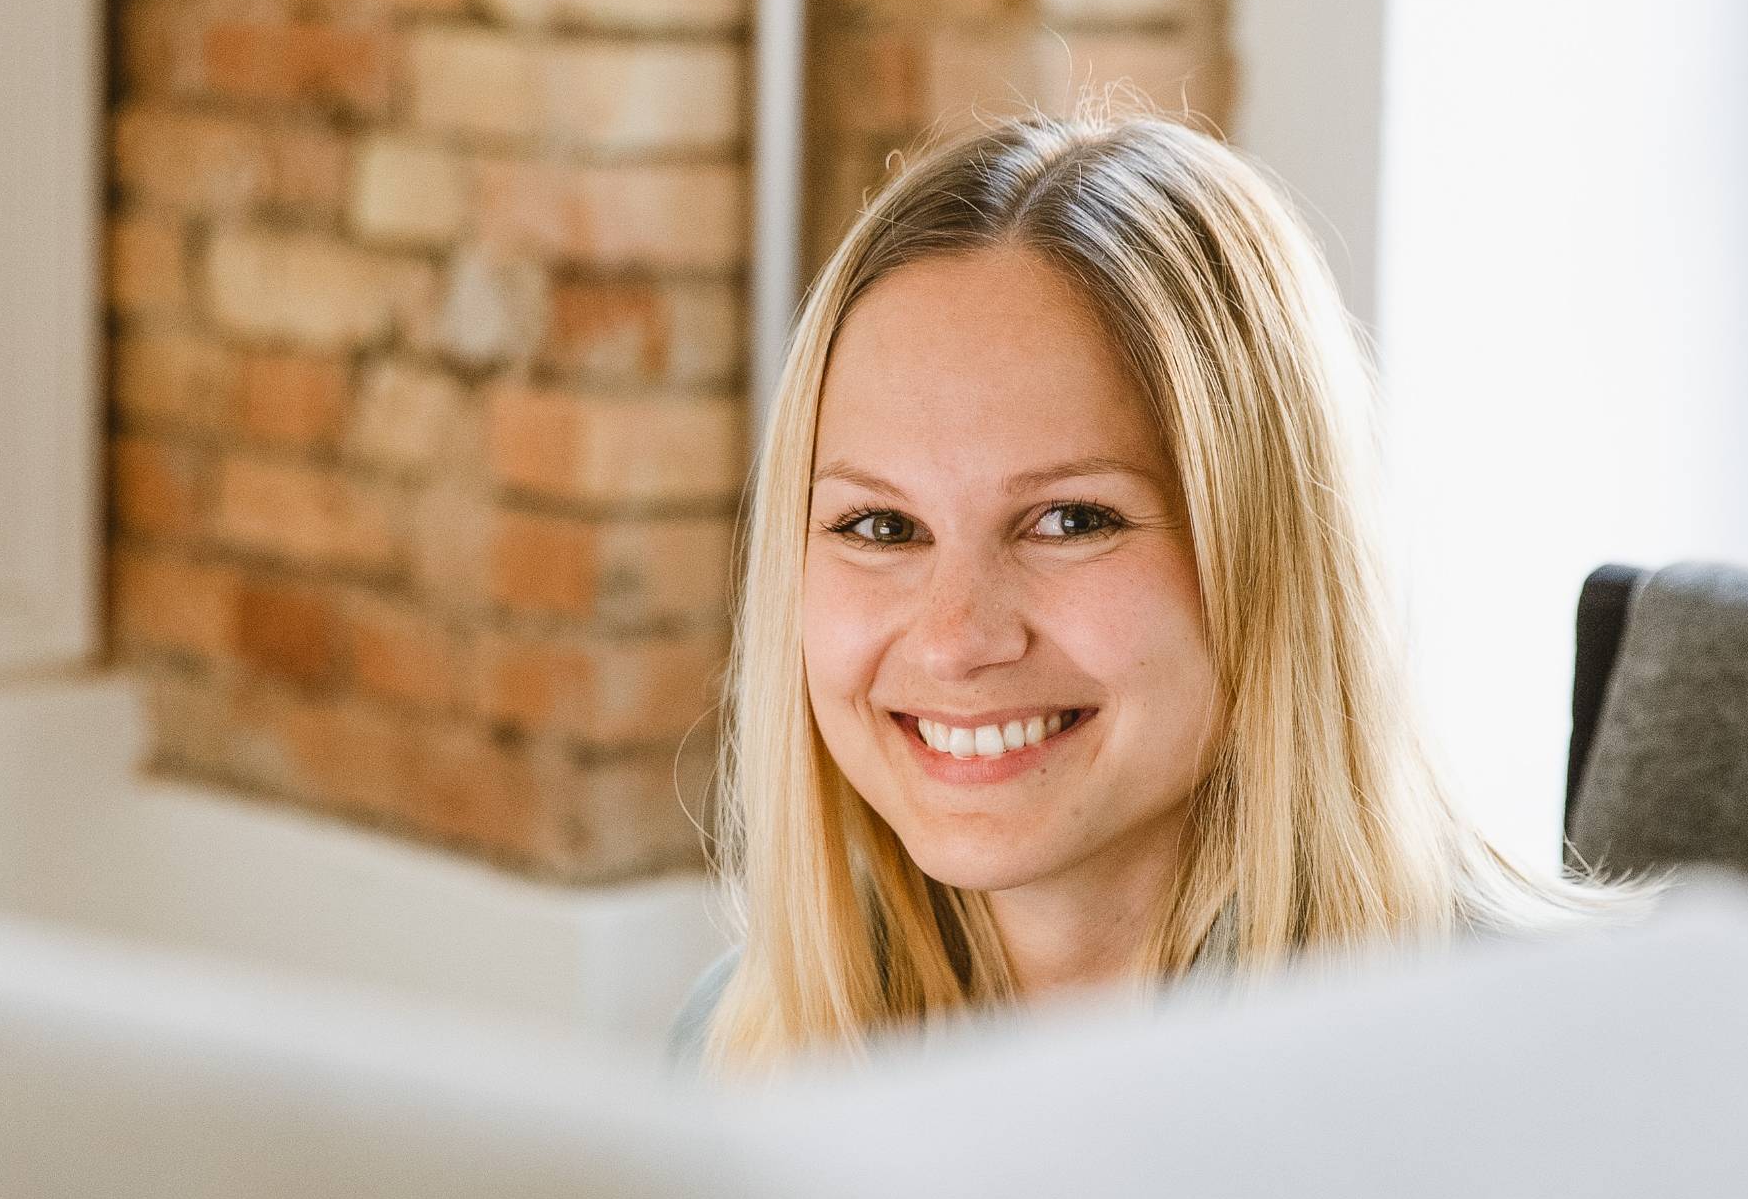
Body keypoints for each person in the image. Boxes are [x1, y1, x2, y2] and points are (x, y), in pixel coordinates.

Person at [674, 98, 1632, 1072]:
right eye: (881, 527)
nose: (953, 639)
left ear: (1269, 551)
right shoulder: (738, 1053)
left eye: (1070, 520)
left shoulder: (1545, 1062)